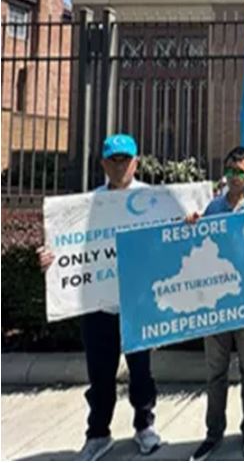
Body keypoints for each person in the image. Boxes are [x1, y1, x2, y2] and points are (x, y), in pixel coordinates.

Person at [38, 134, 160, 461]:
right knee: (100, 375)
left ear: (136, 163)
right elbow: (68, 248)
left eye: (125, 160)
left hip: (136, 304)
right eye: (113, 160)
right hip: (98, 305)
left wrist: (189, 222)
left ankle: (145, 426)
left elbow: (171, 238)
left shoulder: (152, 199)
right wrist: (51, 259)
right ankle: (98, 433)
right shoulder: (88, 204)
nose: (119, 166)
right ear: (103, 164)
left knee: (141, 373)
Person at [188, 146, 244, 461]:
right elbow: (196, 245)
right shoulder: (213, 208)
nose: (234, 176)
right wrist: (191, 224)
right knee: (216, 371)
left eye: (240, 171)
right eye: (230, 170)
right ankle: (213, 432)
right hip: (216, 302)